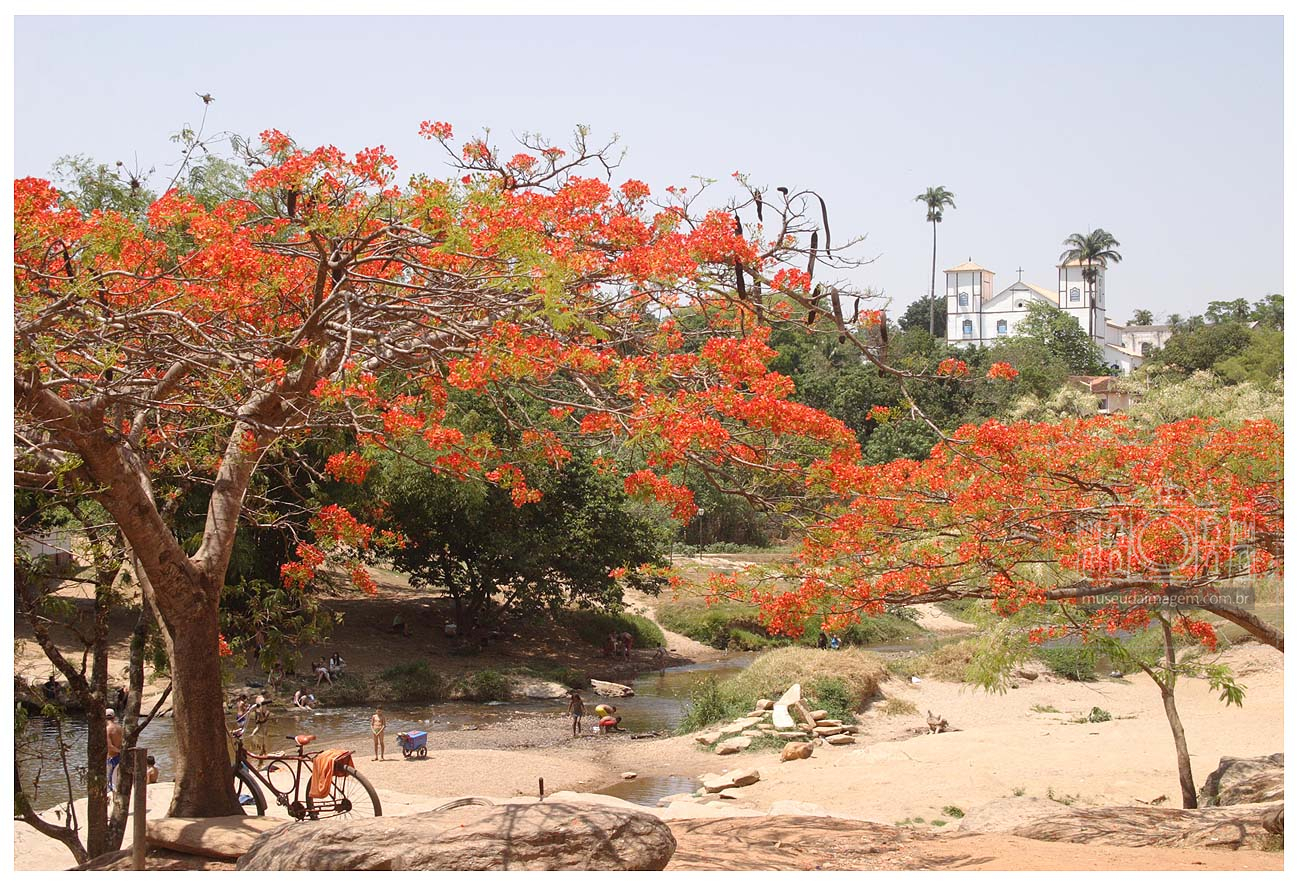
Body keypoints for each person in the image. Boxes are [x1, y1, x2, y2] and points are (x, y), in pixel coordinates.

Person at [105, 709, 123, 793]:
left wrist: (119, 751)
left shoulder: (107, 729)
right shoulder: (120, 728)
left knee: (111, 782)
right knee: (118, 780)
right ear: (114, 717)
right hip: (120, 757)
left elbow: (110, 746)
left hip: (112, 758)